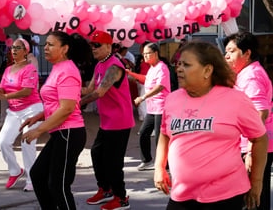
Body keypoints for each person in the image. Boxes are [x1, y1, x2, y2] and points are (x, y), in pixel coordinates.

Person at [154, 41, 268, 210]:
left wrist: (256, 182)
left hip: (226, 197)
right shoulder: (172, 99)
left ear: (207, 70)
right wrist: (159, 168)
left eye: (186, 65)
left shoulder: (235, 99)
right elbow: (165, 134)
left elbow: (260, 138)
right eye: (178, 64)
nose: (178, 69)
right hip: (182, 194)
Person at [19, 31, 92, 210]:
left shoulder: (67, 70)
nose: (45, 47)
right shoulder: (58, 67)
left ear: (64, 49)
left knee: (58, 186)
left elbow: (67, 108)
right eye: (46, 44)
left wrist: (39, 129)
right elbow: (56, 102)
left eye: (51, 44)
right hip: (61, 133)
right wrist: (38, 116)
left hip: (69, 132)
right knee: (37, 174)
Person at [80, 30, 135, 210]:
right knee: (97, 155)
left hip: (120, 122)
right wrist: (65, 89)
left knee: (113, 162)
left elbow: (100, 92)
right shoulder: (99, 65)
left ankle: (121, 198)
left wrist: (77, 105)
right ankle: (105, 190)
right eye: (92, 45)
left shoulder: (114, 66)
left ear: (108, 46)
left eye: (97, 45)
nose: (93, 49)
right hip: (107, 122)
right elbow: (89, 89)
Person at [0, 38, 43, 191]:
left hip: (32, 109)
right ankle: (15, 171)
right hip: (14, 111)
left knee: (26, 142)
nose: (14, 50)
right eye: (13, 47)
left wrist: (5, 97)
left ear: (25, 51)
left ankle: (32, 179)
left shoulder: (30, 69)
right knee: (3, 142)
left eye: (18, 47)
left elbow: (27, 91)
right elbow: (2, 89)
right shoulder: (8, 69)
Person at [224, 32, 273, 210]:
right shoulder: (246, 73)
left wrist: (251, 151)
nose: (226, 55)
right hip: (251, 145)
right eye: (225, 51)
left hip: (254, 147)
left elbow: (261, 113)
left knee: (254, 198)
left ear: (247, 53)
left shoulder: (252, 76)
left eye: (231, 51)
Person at [126, 43, 171, 171]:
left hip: (161, 108)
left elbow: (160, 86)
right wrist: (131, 74)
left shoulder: (162, 67)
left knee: (159, 138)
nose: (144, 56)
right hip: (152, 109)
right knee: (144, 133)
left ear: (155, 54)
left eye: (147, 53)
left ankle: (164, 164)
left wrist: (143, 97)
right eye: (143, 54)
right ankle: (147, 161)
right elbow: (146, 79)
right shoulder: (152, 68)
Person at [0, 49, 12, 128]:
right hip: (4, 86)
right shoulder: (4, 63)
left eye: (10, 53)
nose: (8, 55)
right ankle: (2, 121)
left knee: (13, 105)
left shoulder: (18, 63)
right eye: (8, 53)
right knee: (3, 105)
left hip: (13, 87)